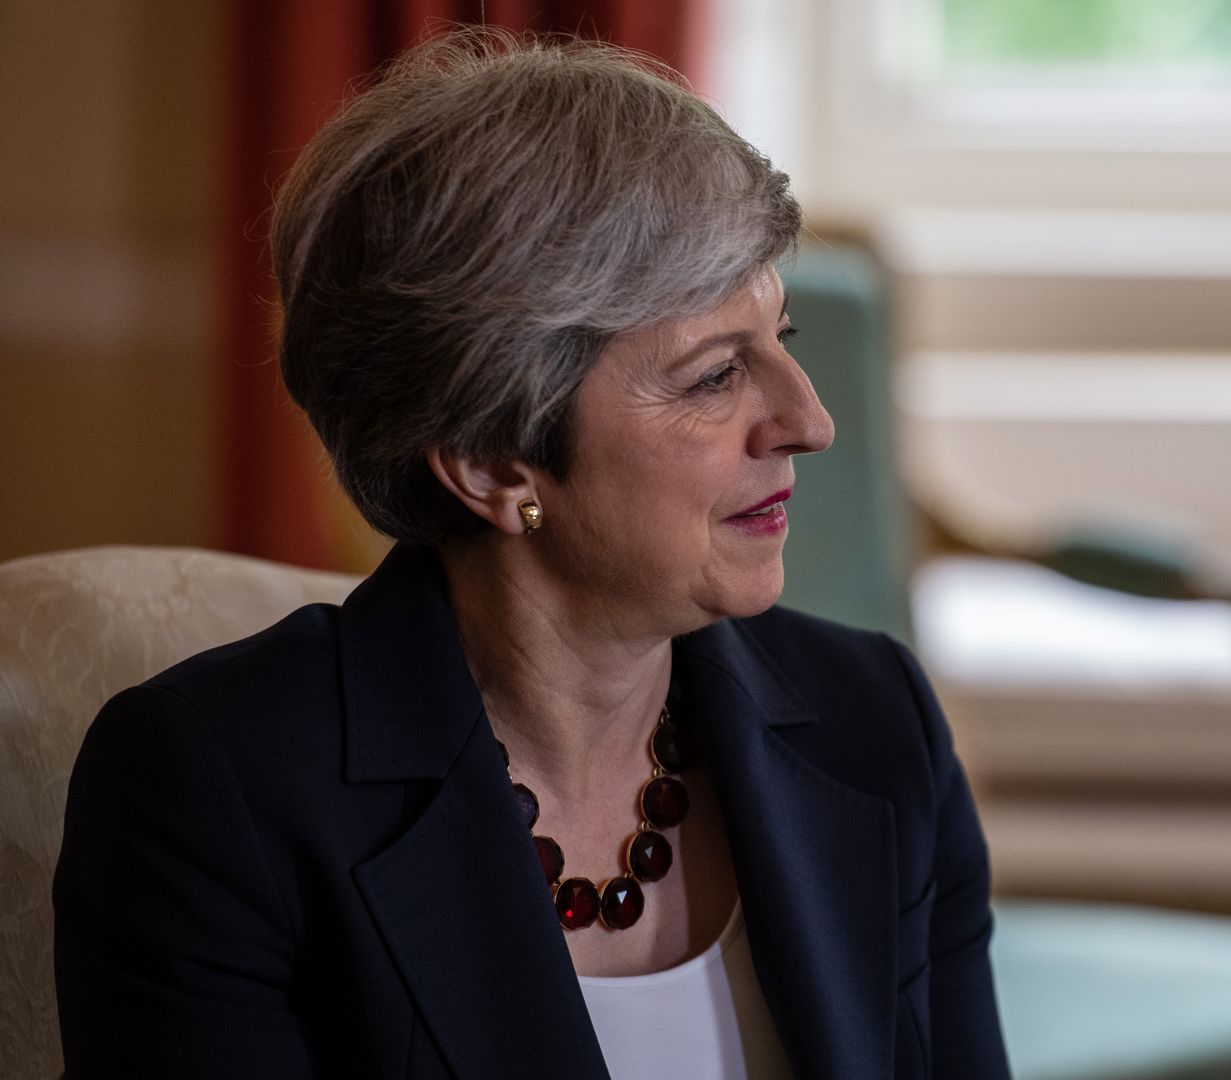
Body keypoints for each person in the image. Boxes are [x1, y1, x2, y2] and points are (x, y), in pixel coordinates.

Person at [53, 29, 1009, 1080]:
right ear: (490, 462)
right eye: (713, 376)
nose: (811, 422)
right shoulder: (215, 791)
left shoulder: (874, 723)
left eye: (782, 342)